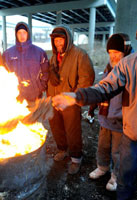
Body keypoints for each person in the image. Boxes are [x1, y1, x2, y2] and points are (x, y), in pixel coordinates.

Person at [52, 9, 137, 200]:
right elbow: (105, 87)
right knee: (124, 179)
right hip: (134, 133)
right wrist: (77, 96)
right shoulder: (130, 64)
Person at [88, 33, 133, 192]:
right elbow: (101, 90)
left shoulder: (132, 70)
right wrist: (92, 108)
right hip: (105, 118)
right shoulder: (109, 68)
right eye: (110, 53)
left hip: (121, 121)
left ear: (125, 51)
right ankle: (102, 167)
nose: (113, 56)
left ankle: (116, 176)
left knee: (118, 151)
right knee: (103, 146)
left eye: (117, 53)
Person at [48, 25, 95, 174]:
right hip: (55, 99)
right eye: (56, 40)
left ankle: (76, 158)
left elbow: (87, 78)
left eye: (61, 39)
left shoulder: (79, 55)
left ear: (67, 39)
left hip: (70, 101)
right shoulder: (54, 57)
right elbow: (50, 76)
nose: (58, 43)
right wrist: (50, 75)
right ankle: (63, 149)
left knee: (73, 130)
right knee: (56, 127)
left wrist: (75, 96)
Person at [2, 22, 49, 103]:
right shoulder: (8, 53)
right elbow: (2, 73)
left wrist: (40, 87)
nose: (22, 35)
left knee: (34, 115)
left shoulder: (39, 52)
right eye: (19, 33)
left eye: (24, 33)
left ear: (28, 34)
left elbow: (46, 71)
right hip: (15, 97)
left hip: (35, 96)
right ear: (16, 34)